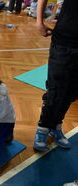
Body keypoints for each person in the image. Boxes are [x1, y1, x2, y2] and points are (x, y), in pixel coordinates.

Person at [33, 0, 77, 152]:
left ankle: (56, 125)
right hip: (64, 42)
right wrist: (39, 22)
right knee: (56, 89)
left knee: (71, 91)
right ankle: (43, 128)